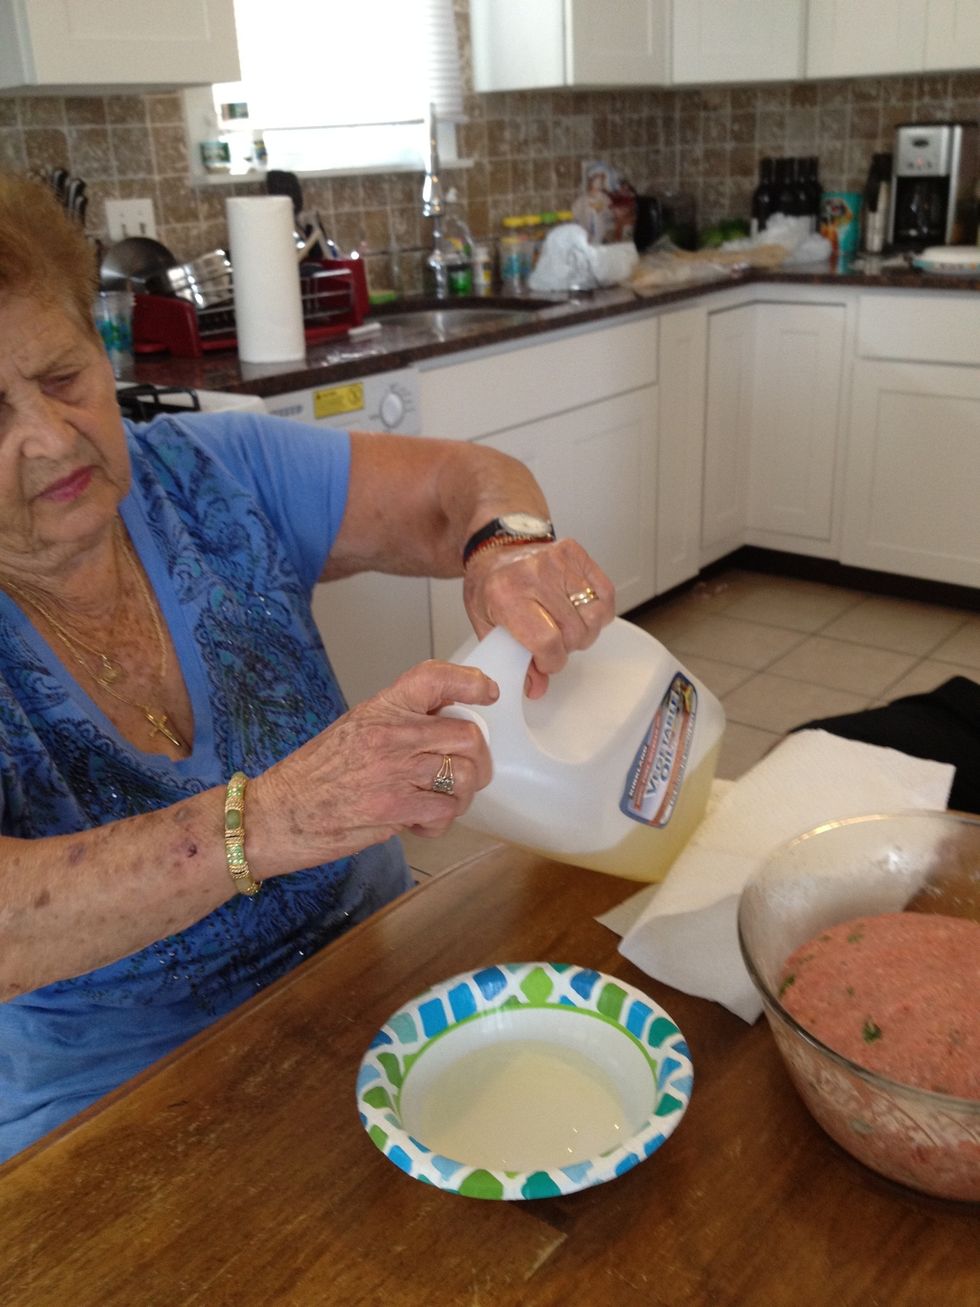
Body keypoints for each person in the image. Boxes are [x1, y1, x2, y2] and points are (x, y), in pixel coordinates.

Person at [0, 174, 614, 1162]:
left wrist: (507, 547)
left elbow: (461, 482)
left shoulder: (210, 473)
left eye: (64, 377)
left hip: (374, 979)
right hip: (121, 1111)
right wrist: (273, 819)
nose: (48, 435)